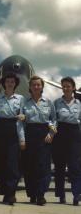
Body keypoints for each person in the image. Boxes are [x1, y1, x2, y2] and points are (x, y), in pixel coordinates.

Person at [20, 75, 56, 206]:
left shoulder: (48, 102)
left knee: (44, 166)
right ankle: (32, 194)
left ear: (42, 87)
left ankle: (41, 194)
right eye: (33, 85)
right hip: (29, 133)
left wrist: (51, 133)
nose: (36, 87)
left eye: (38, 85)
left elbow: (54, 119)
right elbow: (21, 122)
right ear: (30, 87)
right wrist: (22, 139)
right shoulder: (24, 103)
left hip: (44, 134)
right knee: (29, 166)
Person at [0, 72, 25, 205]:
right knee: (1, 163)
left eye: (12, 81)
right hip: (0, 128)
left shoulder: (21, 98)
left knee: (12, 163)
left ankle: (11, 193)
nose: (10, 83)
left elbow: (23, 116)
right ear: (4, 83)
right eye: (8, 81)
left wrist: (22, 138)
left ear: (15, 84)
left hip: (14, 127)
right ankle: (4, 192)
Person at [52, 77, 81, 206]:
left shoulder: (79, 104)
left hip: (74, 135)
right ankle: (61, 195)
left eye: (68, 86)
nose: (65, 88)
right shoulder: (56, 103)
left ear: (73, 88)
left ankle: (76, 194)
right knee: (60, 168)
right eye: (63, 86)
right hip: (60, 135)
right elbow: (53, 119)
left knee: (74, 166)